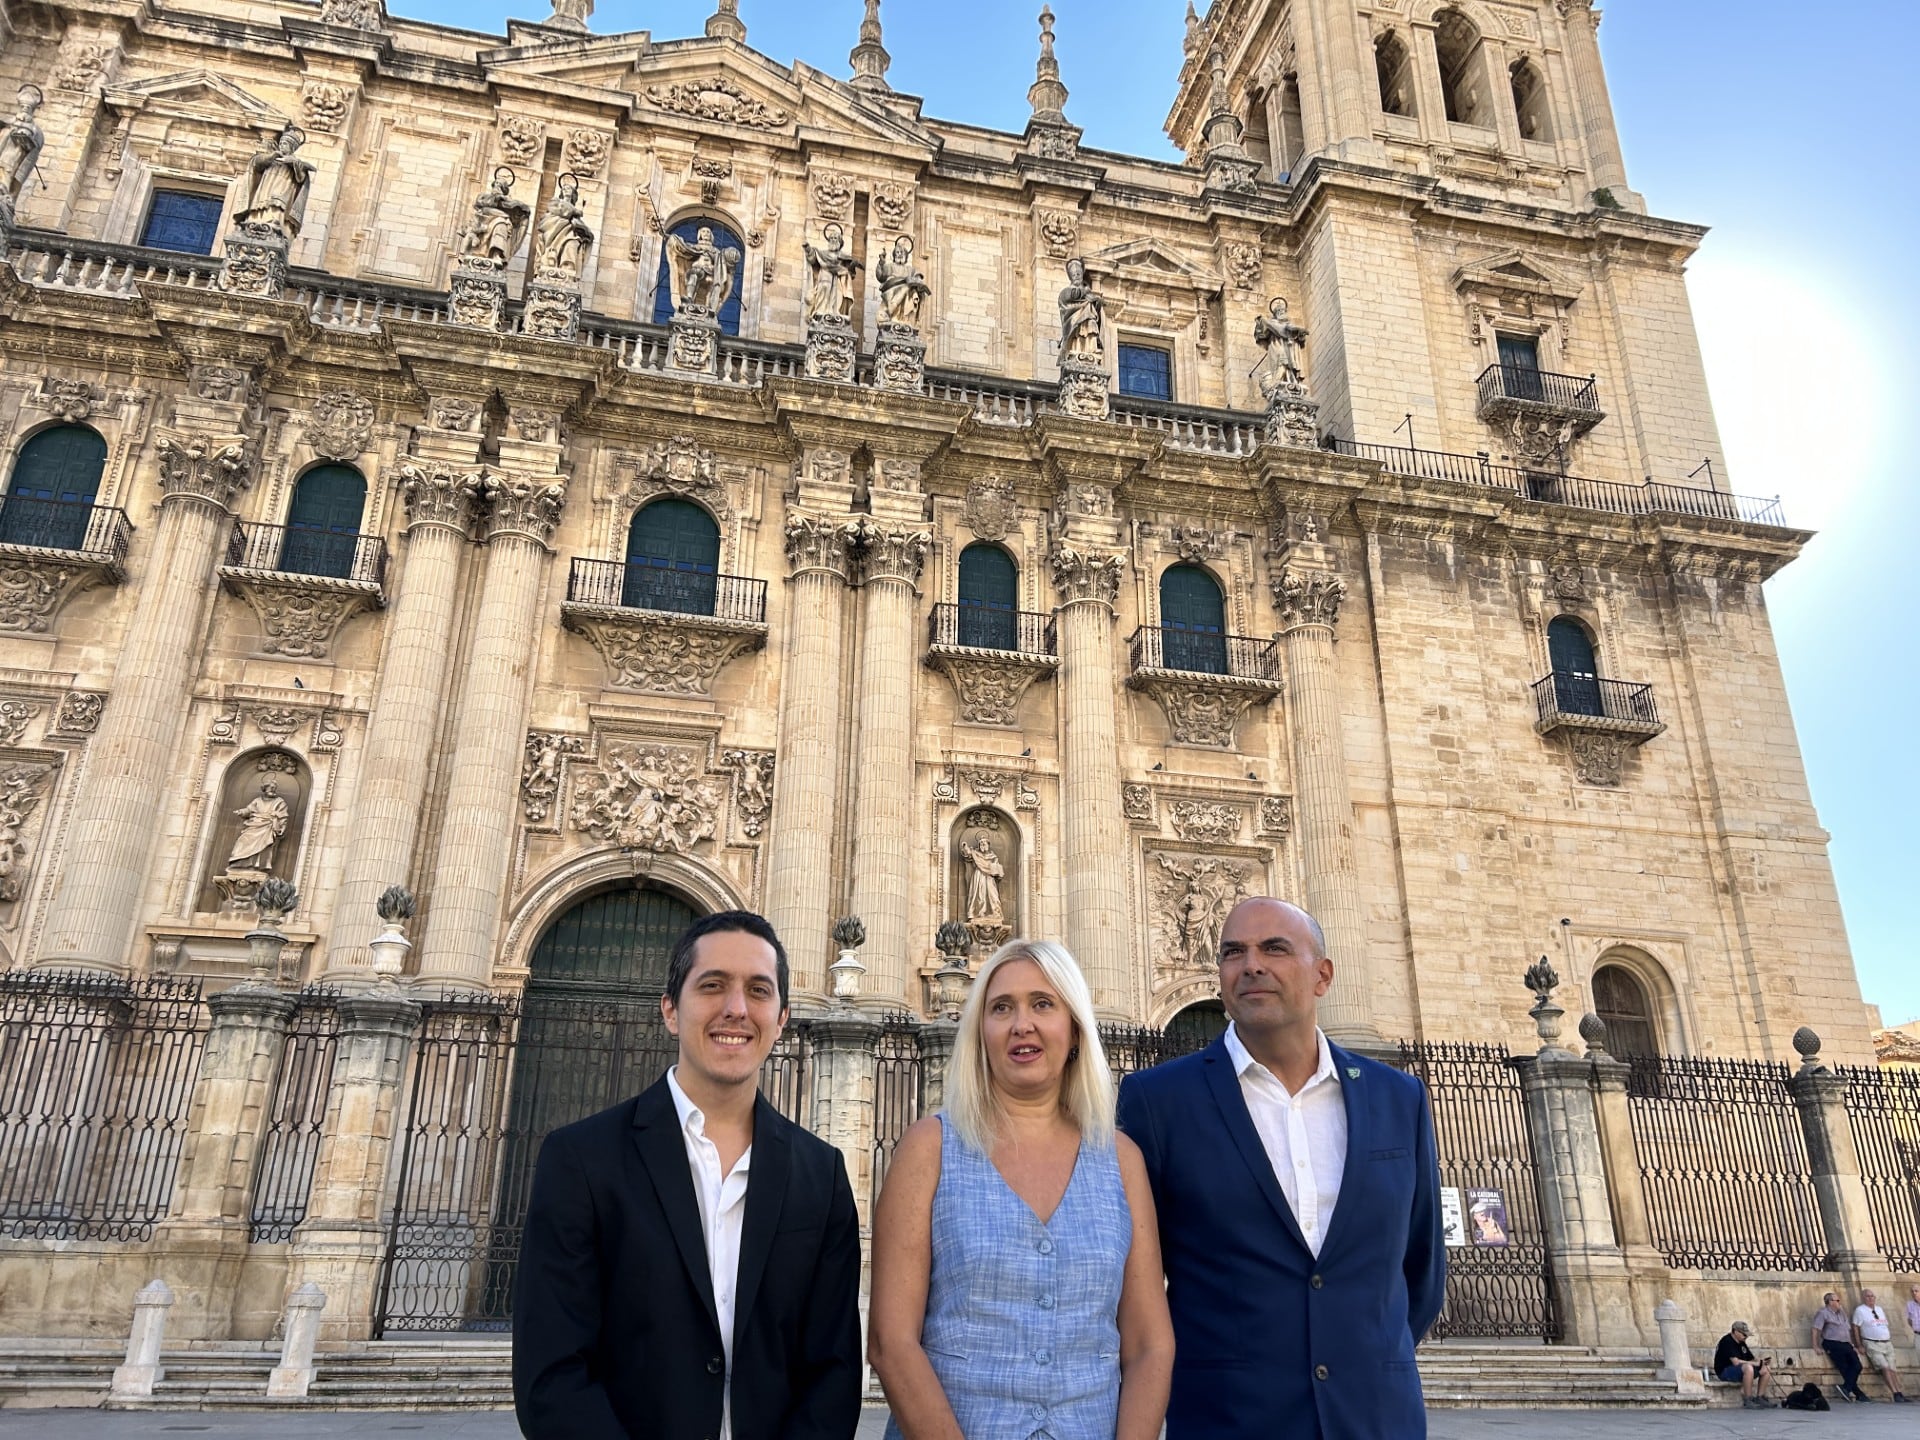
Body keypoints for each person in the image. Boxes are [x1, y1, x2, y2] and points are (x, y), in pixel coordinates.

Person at [513, 910, 863, 1440]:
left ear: (783, 1017)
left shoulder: (822, 1173)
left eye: (759, 990)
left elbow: (834, 1371)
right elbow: (552, 1373)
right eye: (713, 986)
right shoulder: (580, 1160)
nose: (736, 1009)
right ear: (671, 1010)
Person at [1117, 896, 1445, 1440]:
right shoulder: (1158, 1101)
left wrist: (1362, 1355)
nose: (1251, 965)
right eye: (1233, 952)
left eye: (1274, 948)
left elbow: (1422, 1266)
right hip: (1229, 1418)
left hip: (1376, 1418)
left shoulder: (1399, 1097)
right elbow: (1133, 1275)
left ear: (1323, 975)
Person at [869, 939, 1174, 1440]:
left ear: (1075, 1029)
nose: (1021, 1024)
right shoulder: (929, 1148)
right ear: (980, 1032)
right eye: (1001, 1008)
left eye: (1043, 1004)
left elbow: (1149, 1343)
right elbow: (890, 1340)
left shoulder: (1122, 1160)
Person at [1853, 1288, 1909, 1402]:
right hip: (1872, 1342)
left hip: (1886, 1342)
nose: (1871, 1298)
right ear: (1863, 1298)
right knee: (1885, 1367)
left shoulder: (1879, 1309)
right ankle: (1894, 1393)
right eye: (1868, 1296)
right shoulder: (1860, 1310)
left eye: (1872, 1296)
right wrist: (1859, 1344)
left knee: (1892, 1368)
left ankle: (1899, 1392)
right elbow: (1855, 1327)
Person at [1814, 1290, 1868, 1403]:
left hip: (1846, 1344)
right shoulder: (1823, 1313)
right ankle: (1858, 1394)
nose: (1839, 1302)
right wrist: (1816, 1346)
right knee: (1844, 1368)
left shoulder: (1842, 1313)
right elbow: (1816, 1329)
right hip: (1832, 1343)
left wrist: (1854, 1345)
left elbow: (1847, 1329)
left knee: (1857, 1366)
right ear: (1830, 1302)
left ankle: (1847, 1388)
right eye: (1837, 1300)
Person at [1712, 1320, 1772, 1408]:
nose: (1746, 1336)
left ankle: (1760, 1397)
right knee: (1748, 1368)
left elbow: (1751, 1358)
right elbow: (1735, 1362)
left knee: (1766, 1368)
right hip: (1725, 1371)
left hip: (1740, 1370)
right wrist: (1755, 1364)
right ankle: (1748, 1398)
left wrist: (1762, 1362)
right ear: (1735, 1331)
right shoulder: (1727, 1341)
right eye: (1744, 1334)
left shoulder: (1741, 1343)